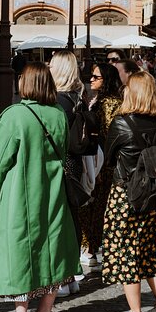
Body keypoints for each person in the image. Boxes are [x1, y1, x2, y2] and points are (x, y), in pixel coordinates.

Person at [0, 62, 80, 312]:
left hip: (21, 193)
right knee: (54, 247)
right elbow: (64, 151)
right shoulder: (57, 114)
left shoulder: (15, 116)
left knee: (20, 249)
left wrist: (2, 186)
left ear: (25, 83)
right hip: (53, 190)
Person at [103, 71, 156, 312]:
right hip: (154, 196)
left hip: (127, 195)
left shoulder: (121, 123)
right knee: (153, 252)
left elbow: (109, 158)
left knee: (127, 254)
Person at [77, 63, 123, 268]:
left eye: (96, 77)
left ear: (107, 80)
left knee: (95, 207)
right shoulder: (98, 100)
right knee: (93, 206)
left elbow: (107, 135)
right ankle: (91, 248)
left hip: (103, 163)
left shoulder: (111, 103)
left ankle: (91, 249)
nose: (91, 80)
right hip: (97, 160)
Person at [48, 50, 86, 297]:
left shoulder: (60, 101)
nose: (48, 67)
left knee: (60, 221)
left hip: (64, 164)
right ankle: (72, 275)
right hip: (76, 162)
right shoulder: (78, 96)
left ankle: (62, 277)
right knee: (72, 220)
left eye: (52, 65)